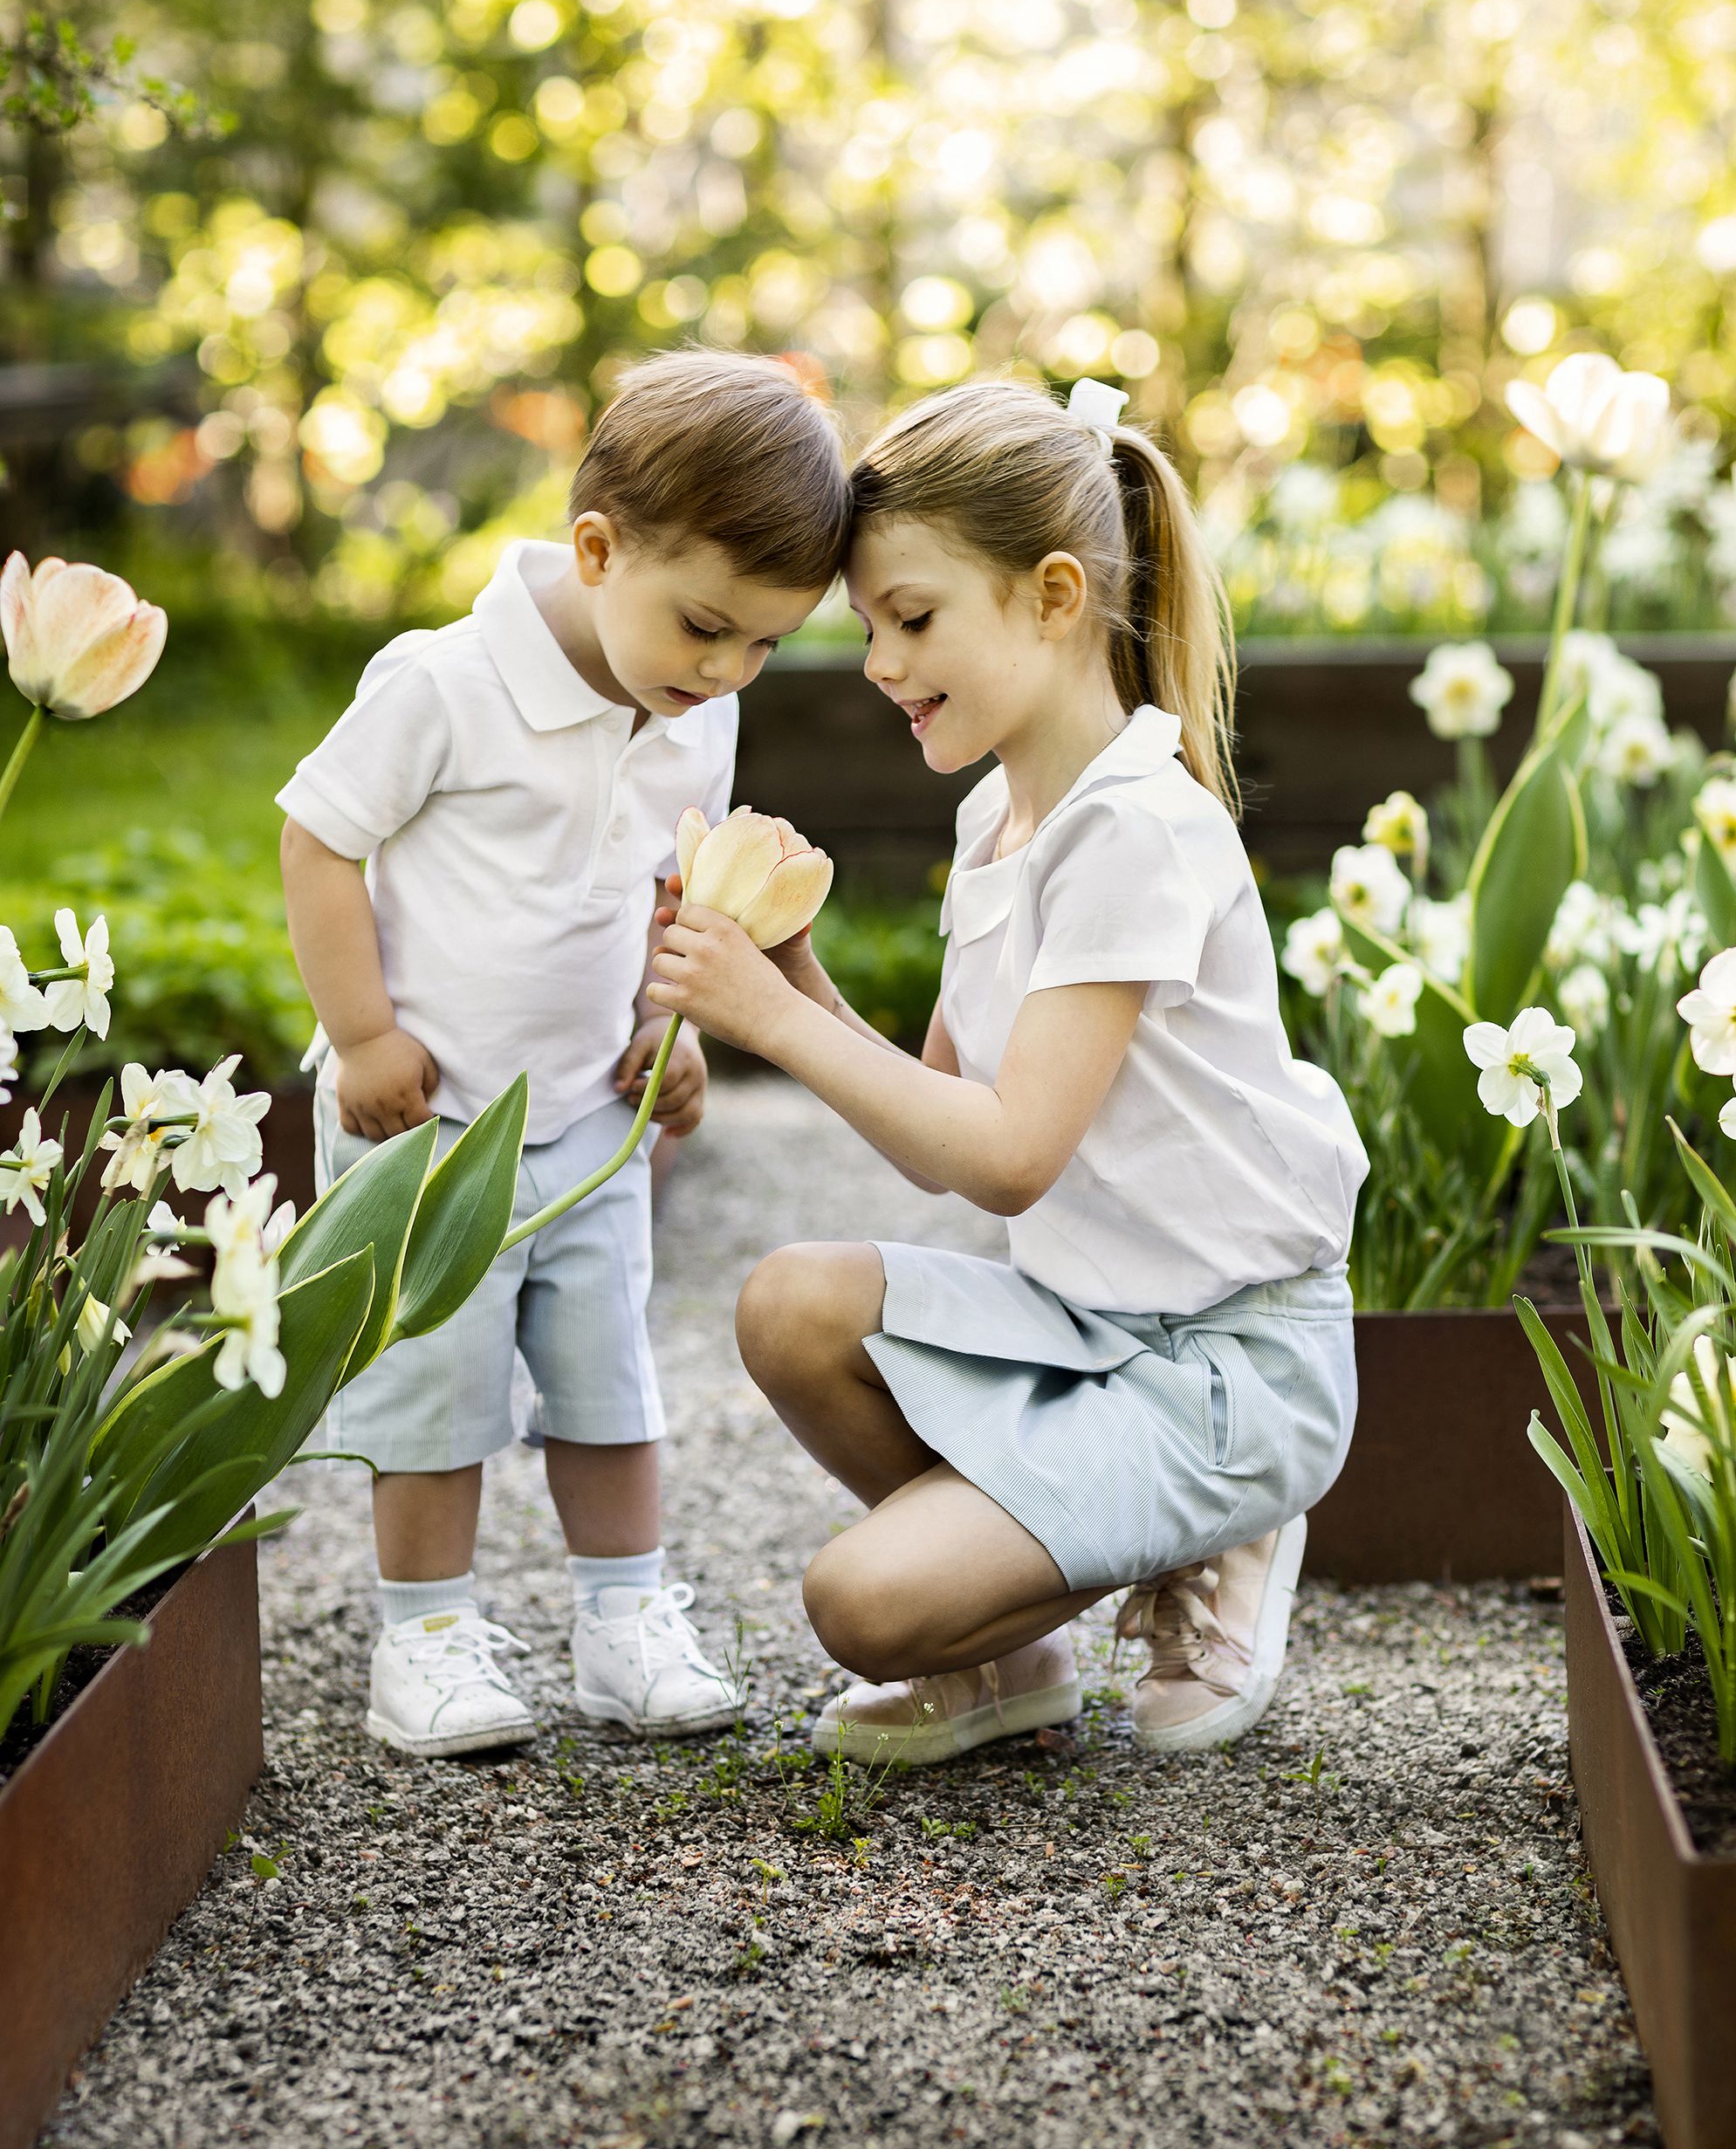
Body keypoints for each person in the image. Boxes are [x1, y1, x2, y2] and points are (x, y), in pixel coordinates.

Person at [646, 376, 1366, 1768]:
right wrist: (789, 975)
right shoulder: (996, 814)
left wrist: (773, 1021)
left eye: (911, 618)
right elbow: (936, 1124)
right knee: (792, 1305)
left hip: (1228, 1360)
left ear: (1050, 597)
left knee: (856, 1596)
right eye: (869, 627)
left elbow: (1011, 1152)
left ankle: (1220, 1521)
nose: (876, 661)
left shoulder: (1136, 829)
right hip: (1089, 1330)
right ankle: (1008, 1656)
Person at [277, 350, 848, 1759]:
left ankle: (623, 1618)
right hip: (425, 1114)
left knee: (608, 1374)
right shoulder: (444, 682)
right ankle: (423, 1635)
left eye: (764, 646)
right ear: (595, 549)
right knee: (434, 1383)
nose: (726, 674)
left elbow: (670, 888)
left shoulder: (692, 710)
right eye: (707, 628)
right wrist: (361, 1033)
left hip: (593, 1109)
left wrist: (664, 1025)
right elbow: (318, 839)